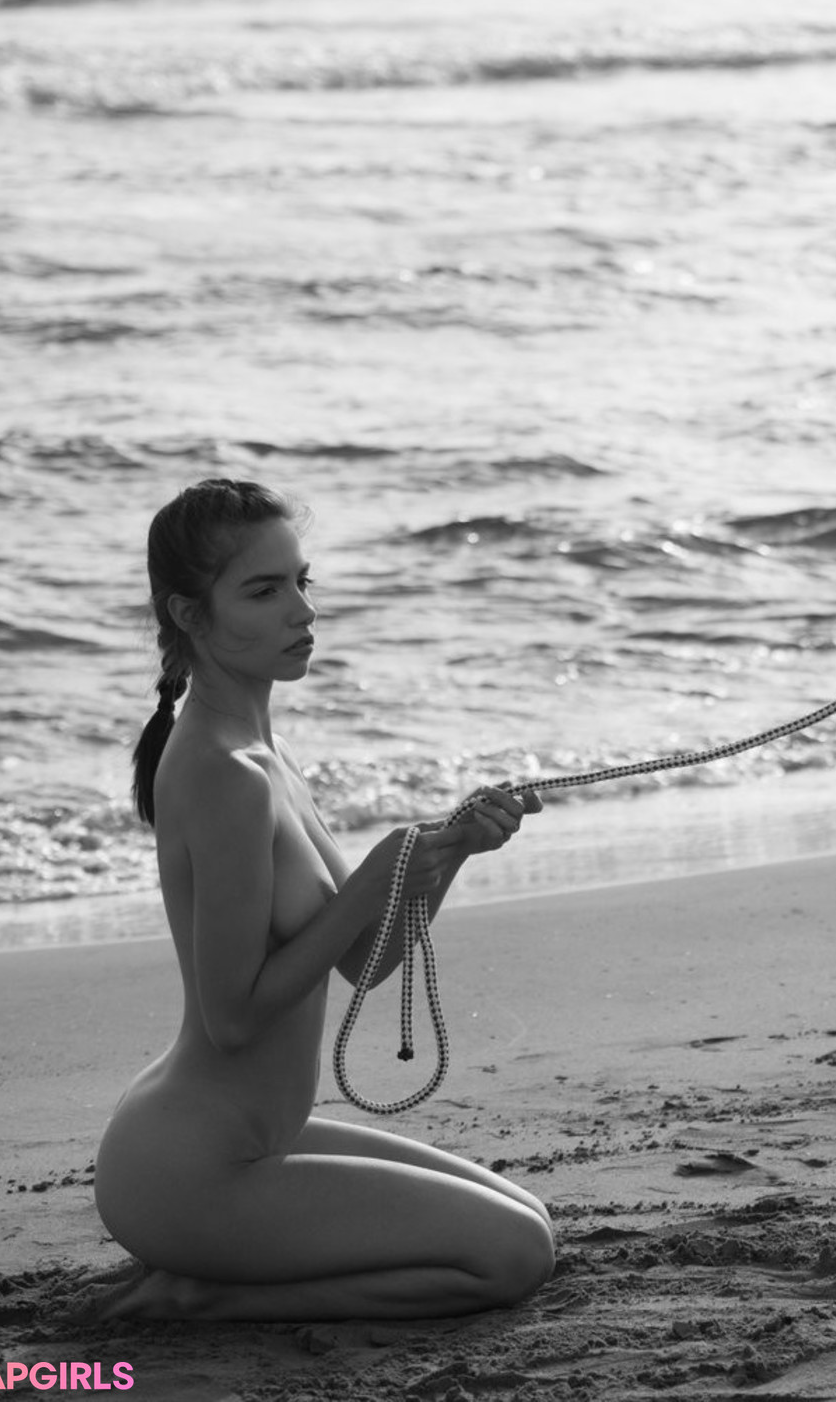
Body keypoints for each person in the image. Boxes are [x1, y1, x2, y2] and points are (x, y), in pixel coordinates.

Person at [94, 478, 554, 1320]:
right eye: (264, 590)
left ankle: (223, 1278)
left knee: (527, 1218)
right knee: (513, 1254)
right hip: (191, 1171)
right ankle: (206, 1299)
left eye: (303, 581)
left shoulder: (263, 753)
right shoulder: (224, 775)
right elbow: (233, 1019)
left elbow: (363, 961)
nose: (302, 610)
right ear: (190, 614)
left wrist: (450, 851)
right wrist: (376, 877)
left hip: (245, 1137)